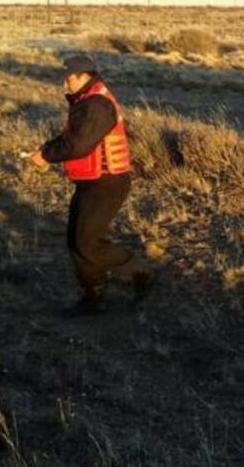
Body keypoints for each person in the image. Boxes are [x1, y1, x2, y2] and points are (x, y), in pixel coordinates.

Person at [30, 55, 150, 315]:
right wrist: (47, 148)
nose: (64, 82)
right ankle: (92, 295)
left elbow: (78, 145)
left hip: (107, 184)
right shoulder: (87, 100)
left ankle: (138, 271)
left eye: (68, 77)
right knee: (77, 239)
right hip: (91, 182)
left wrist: (46, 155)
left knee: (86, 242)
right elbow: (74, 138)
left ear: (84, 76)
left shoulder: (96, 104)